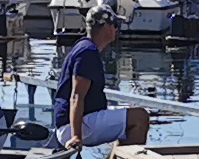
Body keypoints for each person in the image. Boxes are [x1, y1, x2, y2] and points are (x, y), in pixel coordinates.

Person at [54, 13, 149, 150]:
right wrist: (76, 136)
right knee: (139, 117)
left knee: (130, 115)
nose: (116, 30)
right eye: (115, 25)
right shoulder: (87, 53)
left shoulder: (84, 46)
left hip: (81, 119)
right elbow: (76, 96)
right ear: (105, 26)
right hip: (74, 125)